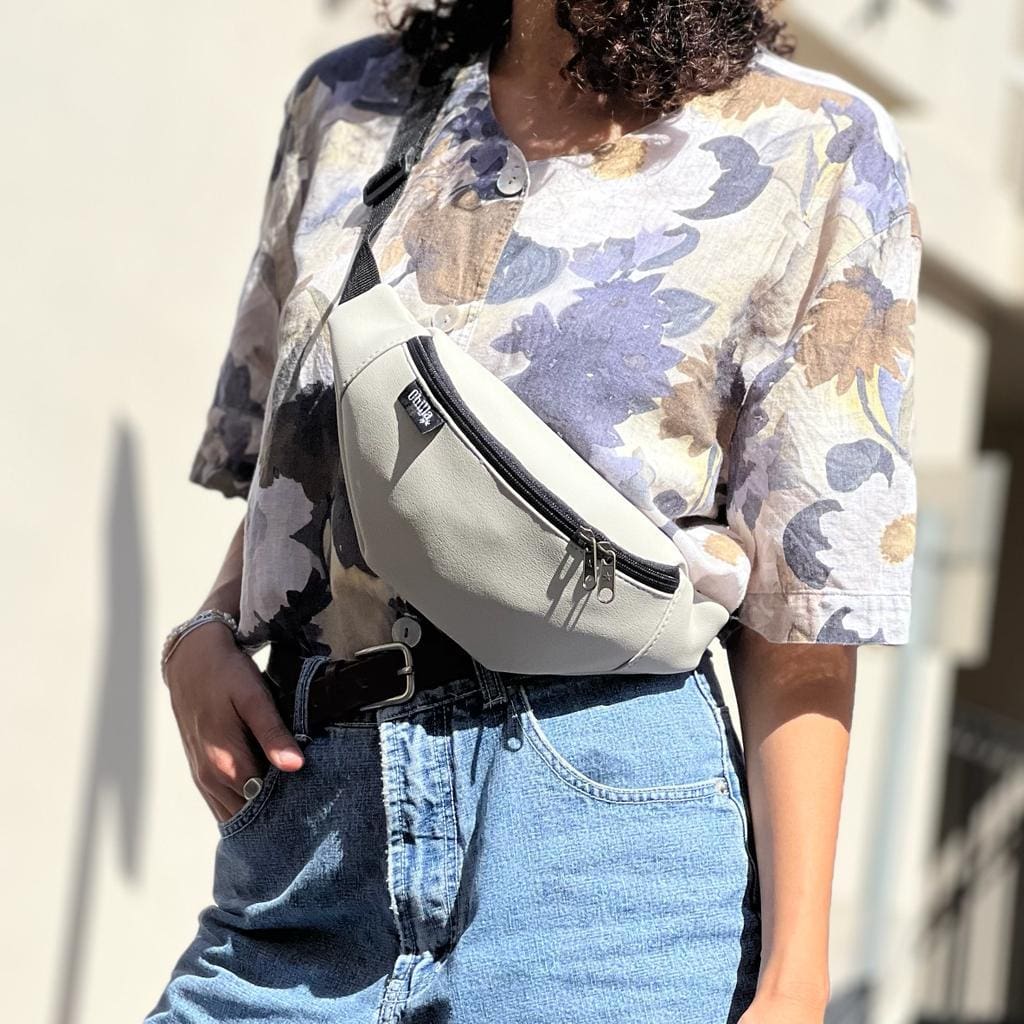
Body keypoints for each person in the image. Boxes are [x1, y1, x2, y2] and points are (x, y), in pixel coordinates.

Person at [147, 1, 922, 1021]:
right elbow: (323, 454)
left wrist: (795, 984)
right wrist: (206, 630)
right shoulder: (348, 105)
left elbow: (800, 611)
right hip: (311, 841)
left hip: (603, 855)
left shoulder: (813, 141)